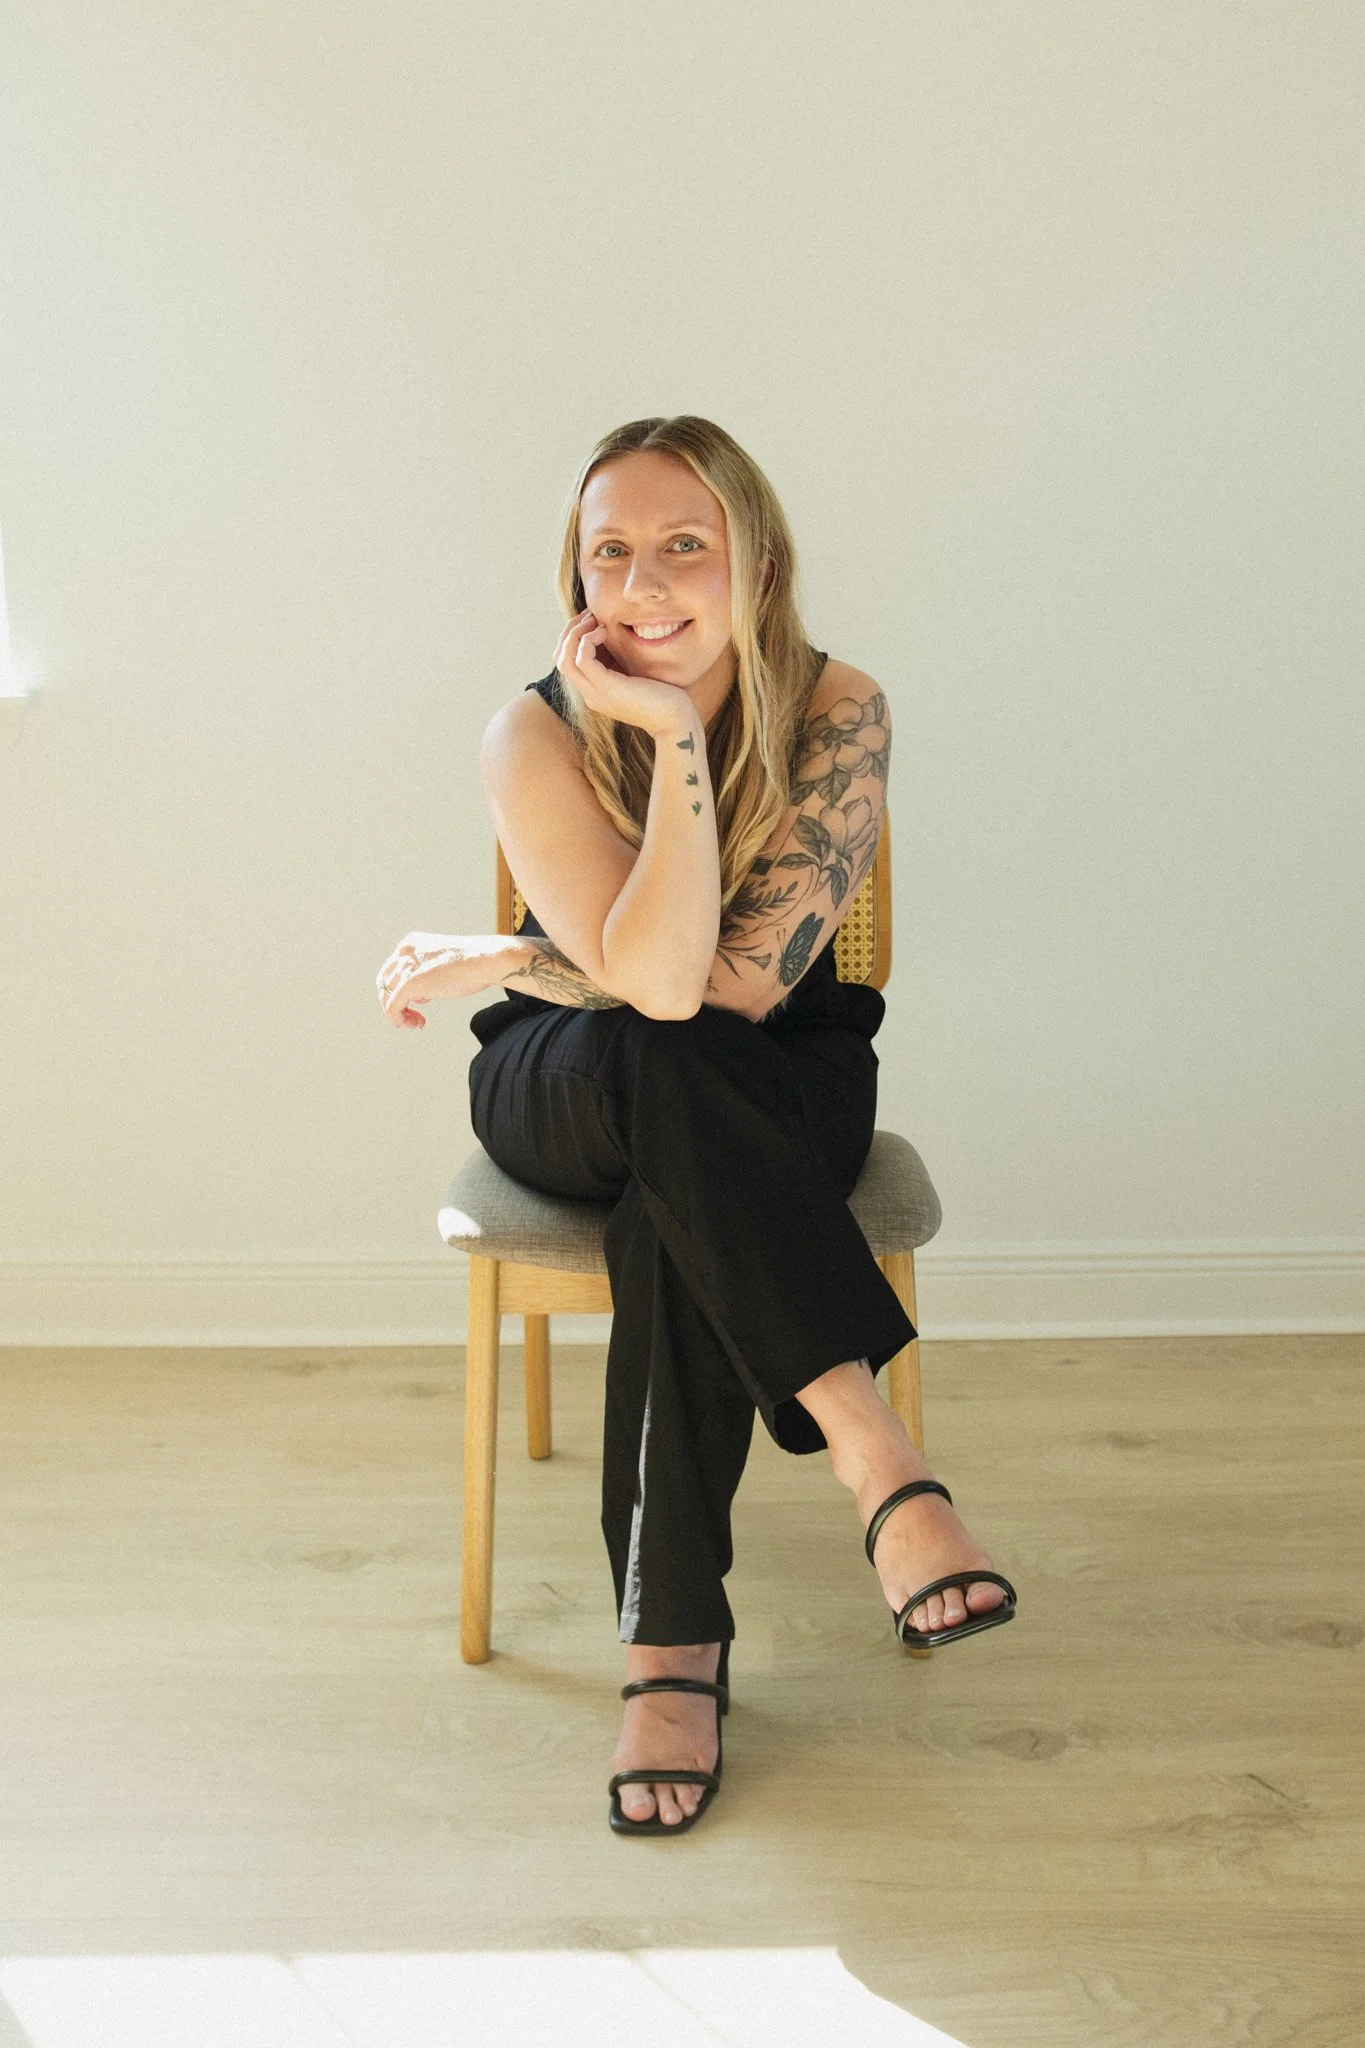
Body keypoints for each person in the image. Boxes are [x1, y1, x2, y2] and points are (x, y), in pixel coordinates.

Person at [376, 415, 1016, 1836]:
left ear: (760, 560)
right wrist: (654, 741)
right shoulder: (533, 728)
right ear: (574, 575)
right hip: (569, 1074)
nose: (646, 586)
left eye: (685, 547)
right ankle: (875, 1454)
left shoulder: (838, 707)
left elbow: (720, 988)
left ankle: (670, 1654)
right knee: (652, 1065)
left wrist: (514, 945)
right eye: (612, 554)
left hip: (775, 1066)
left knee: (685, 1134)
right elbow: (648, 989)